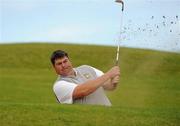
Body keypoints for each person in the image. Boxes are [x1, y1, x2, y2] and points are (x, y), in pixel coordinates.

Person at [50, 50, 120, 106]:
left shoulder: (86, 68)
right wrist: (109, 74)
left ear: (69, 61)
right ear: (54, 68)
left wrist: (113, 82)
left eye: (65, 61)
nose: (63, 65)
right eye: (59, 63)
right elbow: (83, 91)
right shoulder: (59, 85)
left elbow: (108, 86)